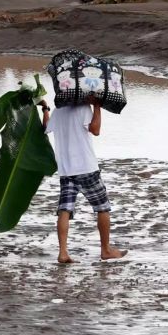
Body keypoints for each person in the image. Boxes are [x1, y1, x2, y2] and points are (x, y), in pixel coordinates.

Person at [41, 98, 127, 264]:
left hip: (66, 170)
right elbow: (95, 130)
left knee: (64, 210)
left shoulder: (59, 110)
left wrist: (45, 108)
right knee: (102, 208)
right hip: (86, 168)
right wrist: (97, 106)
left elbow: (46, 127)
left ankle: (63, 252)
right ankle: (106, 250)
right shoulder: (83, 108)